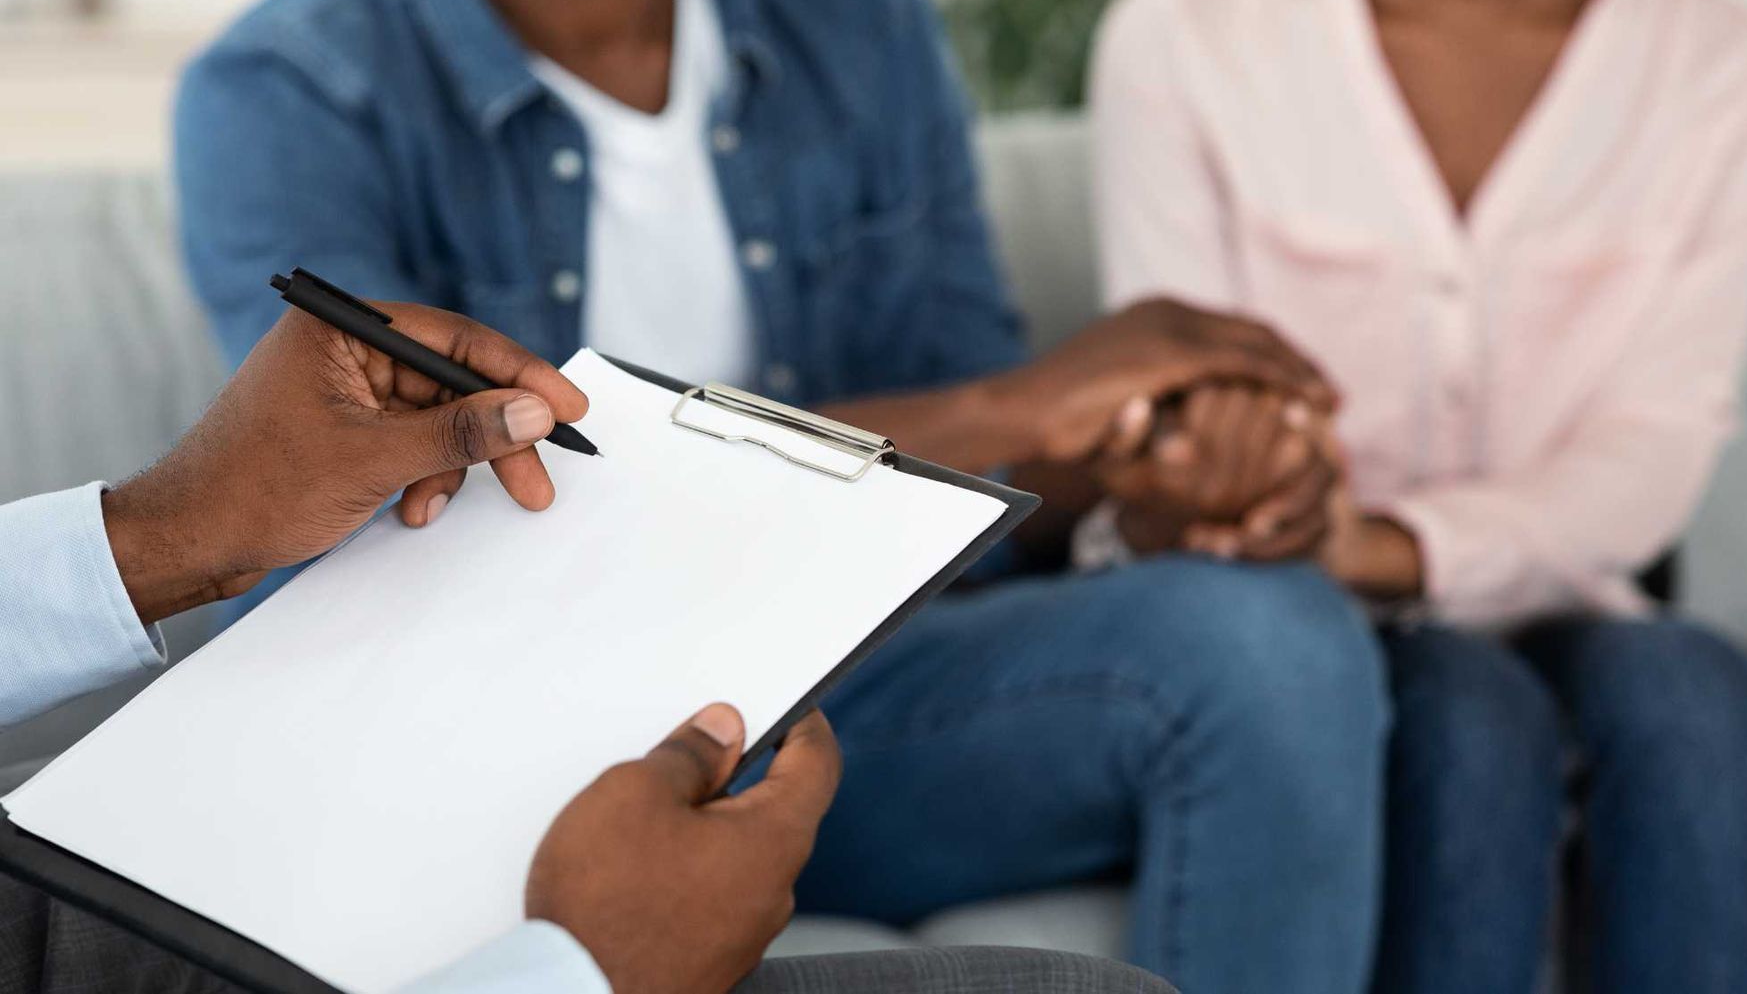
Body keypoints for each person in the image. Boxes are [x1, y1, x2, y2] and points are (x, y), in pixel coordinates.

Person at [173, 0, 1391, 991]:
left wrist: (1152, 466)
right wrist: (1019, 405)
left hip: (842, 693)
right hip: (518, 747)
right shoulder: (287, 91)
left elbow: (988, 463)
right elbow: (431, 518)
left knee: (1270, 639)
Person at [0, 301, 1174, 994]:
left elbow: (972, 343)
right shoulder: (300, 78)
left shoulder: (841, 5)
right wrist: (581, 971)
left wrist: (162, 532)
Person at [1089, 0, 1747, 992]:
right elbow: (1179, 389)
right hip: (1302, 616)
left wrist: (1383, 543)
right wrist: (1246, 486)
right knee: (1469, 724)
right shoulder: (1191, 24)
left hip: (1565, 590)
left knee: (1703, 709)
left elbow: (1655, 447)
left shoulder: (1719, 60)